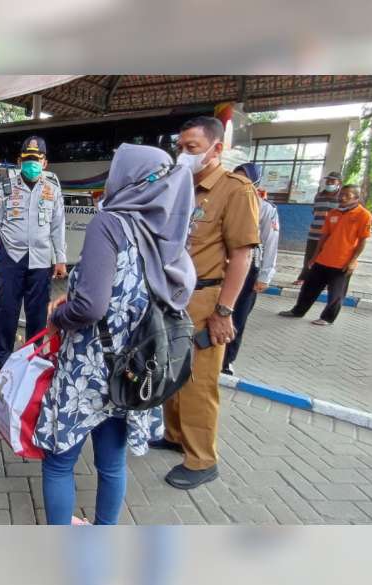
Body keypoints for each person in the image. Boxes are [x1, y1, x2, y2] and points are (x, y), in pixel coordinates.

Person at [35, 143, 196, 524]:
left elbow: (91, 307)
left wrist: (58, 318)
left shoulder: (110, 223)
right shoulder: (167, 230)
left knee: (59, 461)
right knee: (111, 464)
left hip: (90, 368)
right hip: (136, 367)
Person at [149, 116, 260, 490]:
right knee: (171, 371)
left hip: (205, 298)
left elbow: (242, 255)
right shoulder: (178, 186)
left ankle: (201, 460)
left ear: (217, 149)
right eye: (180, 146)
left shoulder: (234, 190)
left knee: (198, 380)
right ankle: (175, 435)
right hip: (171, 297)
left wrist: (224, 311)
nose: (183, 154)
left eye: (191, 148)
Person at [0, 135, 67, 372]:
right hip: (11, 258)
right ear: (19, 160)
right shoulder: (6, 187)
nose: (32, 164)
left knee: (37, 314)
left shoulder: (52, 189)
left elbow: (58, 225)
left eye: (37, 159)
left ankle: (33, 356)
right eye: (28, 159)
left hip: (41, 261)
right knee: (6, 311)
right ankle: (1, 357)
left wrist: (60, 258)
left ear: (45, 162)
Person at [279, 184, 370, 325]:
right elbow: (324, 236)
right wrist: (314, 256)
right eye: (341, 194)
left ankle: (327, 318)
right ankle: (298, 311)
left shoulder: (363, 215)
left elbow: (362, 241)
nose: (342, 197)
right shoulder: (333, 213)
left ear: (356, 198)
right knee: (308, 288)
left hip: (343, 263)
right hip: (323, 260)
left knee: (336, 294)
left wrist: (352, 261)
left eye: (347, 195)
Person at [222, 163, 280, 375]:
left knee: (237, 317)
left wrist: (265, 275)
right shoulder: (223, 202)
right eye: (235, 178)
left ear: (254, 182)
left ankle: (227, 360)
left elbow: (270, 242)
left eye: (244, 179)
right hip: (220, 268)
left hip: (248, 270)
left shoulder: (265, 209)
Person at [294, 171, 342, 285]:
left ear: (339, 183)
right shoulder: (319, 195)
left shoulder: (341, 197)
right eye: (328, 180)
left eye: (332, 181)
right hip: (315, 232)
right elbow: (315, 211)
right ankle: (303, 278)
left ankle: (325, 281)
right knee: (309, 256)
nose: (329, 182)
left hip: (331, 235)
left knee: (327, 257)